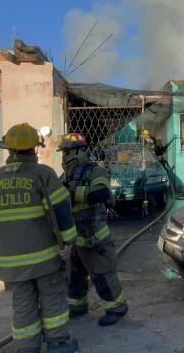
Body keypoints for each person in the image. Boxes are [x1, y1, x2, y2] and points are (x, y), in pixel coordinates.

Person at [0, 123, 79, 353]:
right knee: (52, 299)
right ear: (34, 149)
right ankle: (58, 343)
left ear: (9, 151)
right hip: (46, 258)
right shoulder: (43, 175)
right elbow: (61, 210)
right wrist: (69, 242)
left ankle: (27, 346)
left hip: (13, 262)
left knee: (22, 304)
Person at [58, 133, 128, 327]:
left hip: (94, 237)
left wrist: (72, 194)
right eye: (63, 152)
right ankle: (77, 307)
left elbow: (101, 193)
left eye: (66, 152)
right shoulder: (63, 176)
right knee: (74, 276)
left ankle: (117, 308)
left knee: (102, 274)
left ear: (80, 151)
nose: (63, 157)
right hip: (74, 239)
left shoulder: (95, 171)